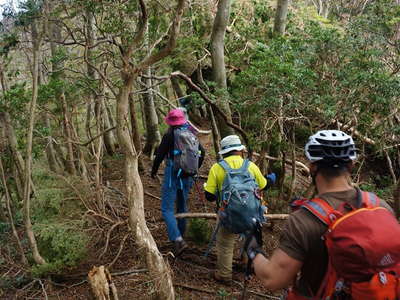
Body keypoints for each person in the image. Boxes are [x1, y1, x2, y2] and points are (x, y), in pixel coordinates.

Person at [244, 130, 399, 299]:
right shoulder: (380, 206)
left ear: (312, 166)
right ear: (351, 164)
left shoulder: (304, 220)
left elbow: (273, 280)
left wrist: (252, 248)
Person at [204, 135, 275, 283]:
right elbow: (263, 185)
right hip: (251, 214)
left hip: (228, 214)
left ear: (224, 152)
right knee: (250, 237)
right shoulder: (251, 166)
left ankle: (224, 274)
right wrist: (271, 179)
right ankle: (248, 264)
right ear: (241, 150)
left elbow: (209, 196)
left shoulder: (217, 168)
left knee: (225, 243)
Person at [151, 108, 205, 256]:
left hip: (172, 173)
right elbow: (202, 153)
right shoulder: (191, 133)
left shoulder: (169, 135)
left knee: (166, 208)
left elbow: (160, 155)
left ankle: (178, 239)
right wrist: (194, 169)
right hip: (187, 174)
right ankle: (181, 236)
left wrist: (154, 171)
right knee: (182, 205)